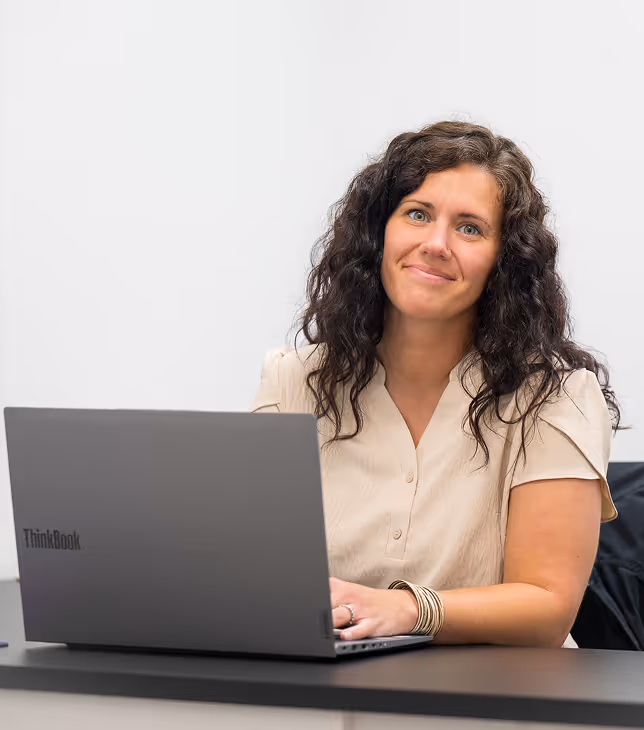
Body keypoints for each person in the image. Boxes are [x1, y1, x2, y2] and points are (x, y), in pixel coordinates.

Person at [251, 121, 621, 648]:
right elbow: (257, 573)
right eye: (417, 214)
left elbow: (546, 606)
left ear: (502, 263)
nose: (436, 244)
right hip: (327, 695)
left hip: (500, 702)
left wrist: (408, 609)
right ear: (378, 234)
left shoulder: (557, 398)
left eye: (470, 228)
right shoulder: (294, 380)